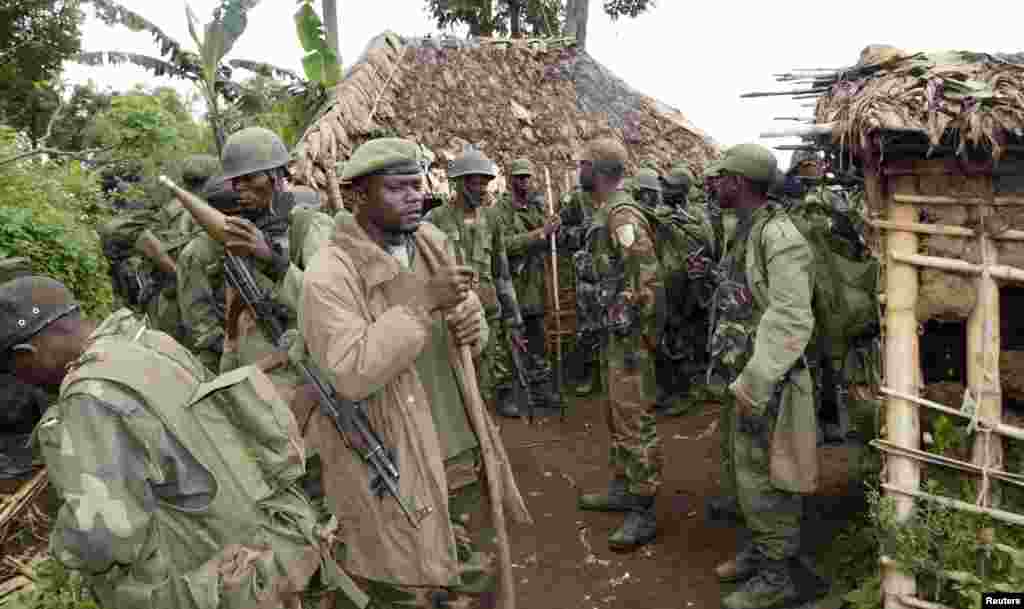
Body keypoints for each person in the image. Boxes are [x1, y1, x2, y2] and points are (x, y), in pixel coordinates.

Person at [1, 276, 347, 609]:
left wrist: (62, 544)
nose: (25, 383)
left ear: (26, 354)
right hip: (270, 549)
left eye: (17, 371)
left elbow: (107, 536)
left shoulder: (89, 398)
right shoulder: (146, 342)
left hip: (222, 581)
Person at [299, 138, 531, 608]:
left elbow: (470, 327)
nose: (414, 196)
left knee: (478, 577)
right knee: (412, 584)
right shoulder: (329, 275)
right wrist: (424, 302)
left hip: (461, 447)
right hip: (395, 463)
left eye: (417, 185)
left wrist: (473, 324)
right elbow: (351, 370)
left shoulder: (430, 242)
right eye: (397, 188)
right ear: (359, 195)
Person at [704, 143, 821, 609]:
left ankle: (778, 576)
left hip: (766, 381)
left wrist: (756, 383)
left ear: (738, 182)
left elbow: (792, 318)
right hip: (743, 376)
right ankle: (762, 550)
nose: (713, 185)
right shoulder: (746, 230)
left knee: (770, 475)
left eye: (720, 178)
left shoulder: (780, 237)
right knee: (745, 472)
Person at [574, 138, 664, 551]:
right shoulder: (607, 213)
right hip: (616, 336)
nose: (579, 170)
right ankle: (625, 487)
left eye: (583, 164)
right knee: (616, 414)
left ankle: (643, 509)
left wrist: (642, 337)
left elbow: (648, 279)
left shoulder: (622, 215)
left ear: (596, 169)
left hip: (629, 341)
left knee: (633, 419)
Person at [176, 128, 297, 374]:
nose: (241, 189)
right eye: (236, 182)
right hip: (248, 362)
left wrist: (271, 259)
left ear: (276, 176)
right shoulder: (203, 250)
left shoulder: (301, 226)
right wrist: (230, 360)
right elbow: (205, 326)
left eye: (250, 178)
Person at [426, 145, 529, 418]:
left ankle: (485, 427)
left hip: (489, 311)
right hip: (454, 316)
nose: (483, 190)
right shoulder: (435, 219)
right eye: (476, 183)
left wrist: (514, 317)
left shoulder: (492, 218)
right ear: (459, 183)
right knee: (455, 381)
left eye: (486, 183)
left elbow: (501, 271)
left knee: (487, 377)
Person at [98, 154, 220, 345]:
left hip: (167, 310)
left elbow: (112, 230)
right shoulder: (206, 211)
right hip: (191, 312)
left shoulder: (167, 208)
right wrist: (177, 273)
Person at [493, 158, 563, 413]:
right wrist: (539, 234)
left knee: (537, 339)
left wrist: (555, 229)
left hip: (536, 284)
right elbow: (504, 245)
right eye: (519, 177)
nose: (524, 182)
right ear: (510, 180)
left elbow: (552, 242)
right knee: (511, 340)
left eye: (527, 177)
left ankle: (540, 388)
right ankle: (509, 393)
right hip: (514, 286)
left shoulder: (538, 208)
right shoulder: (500, 210)